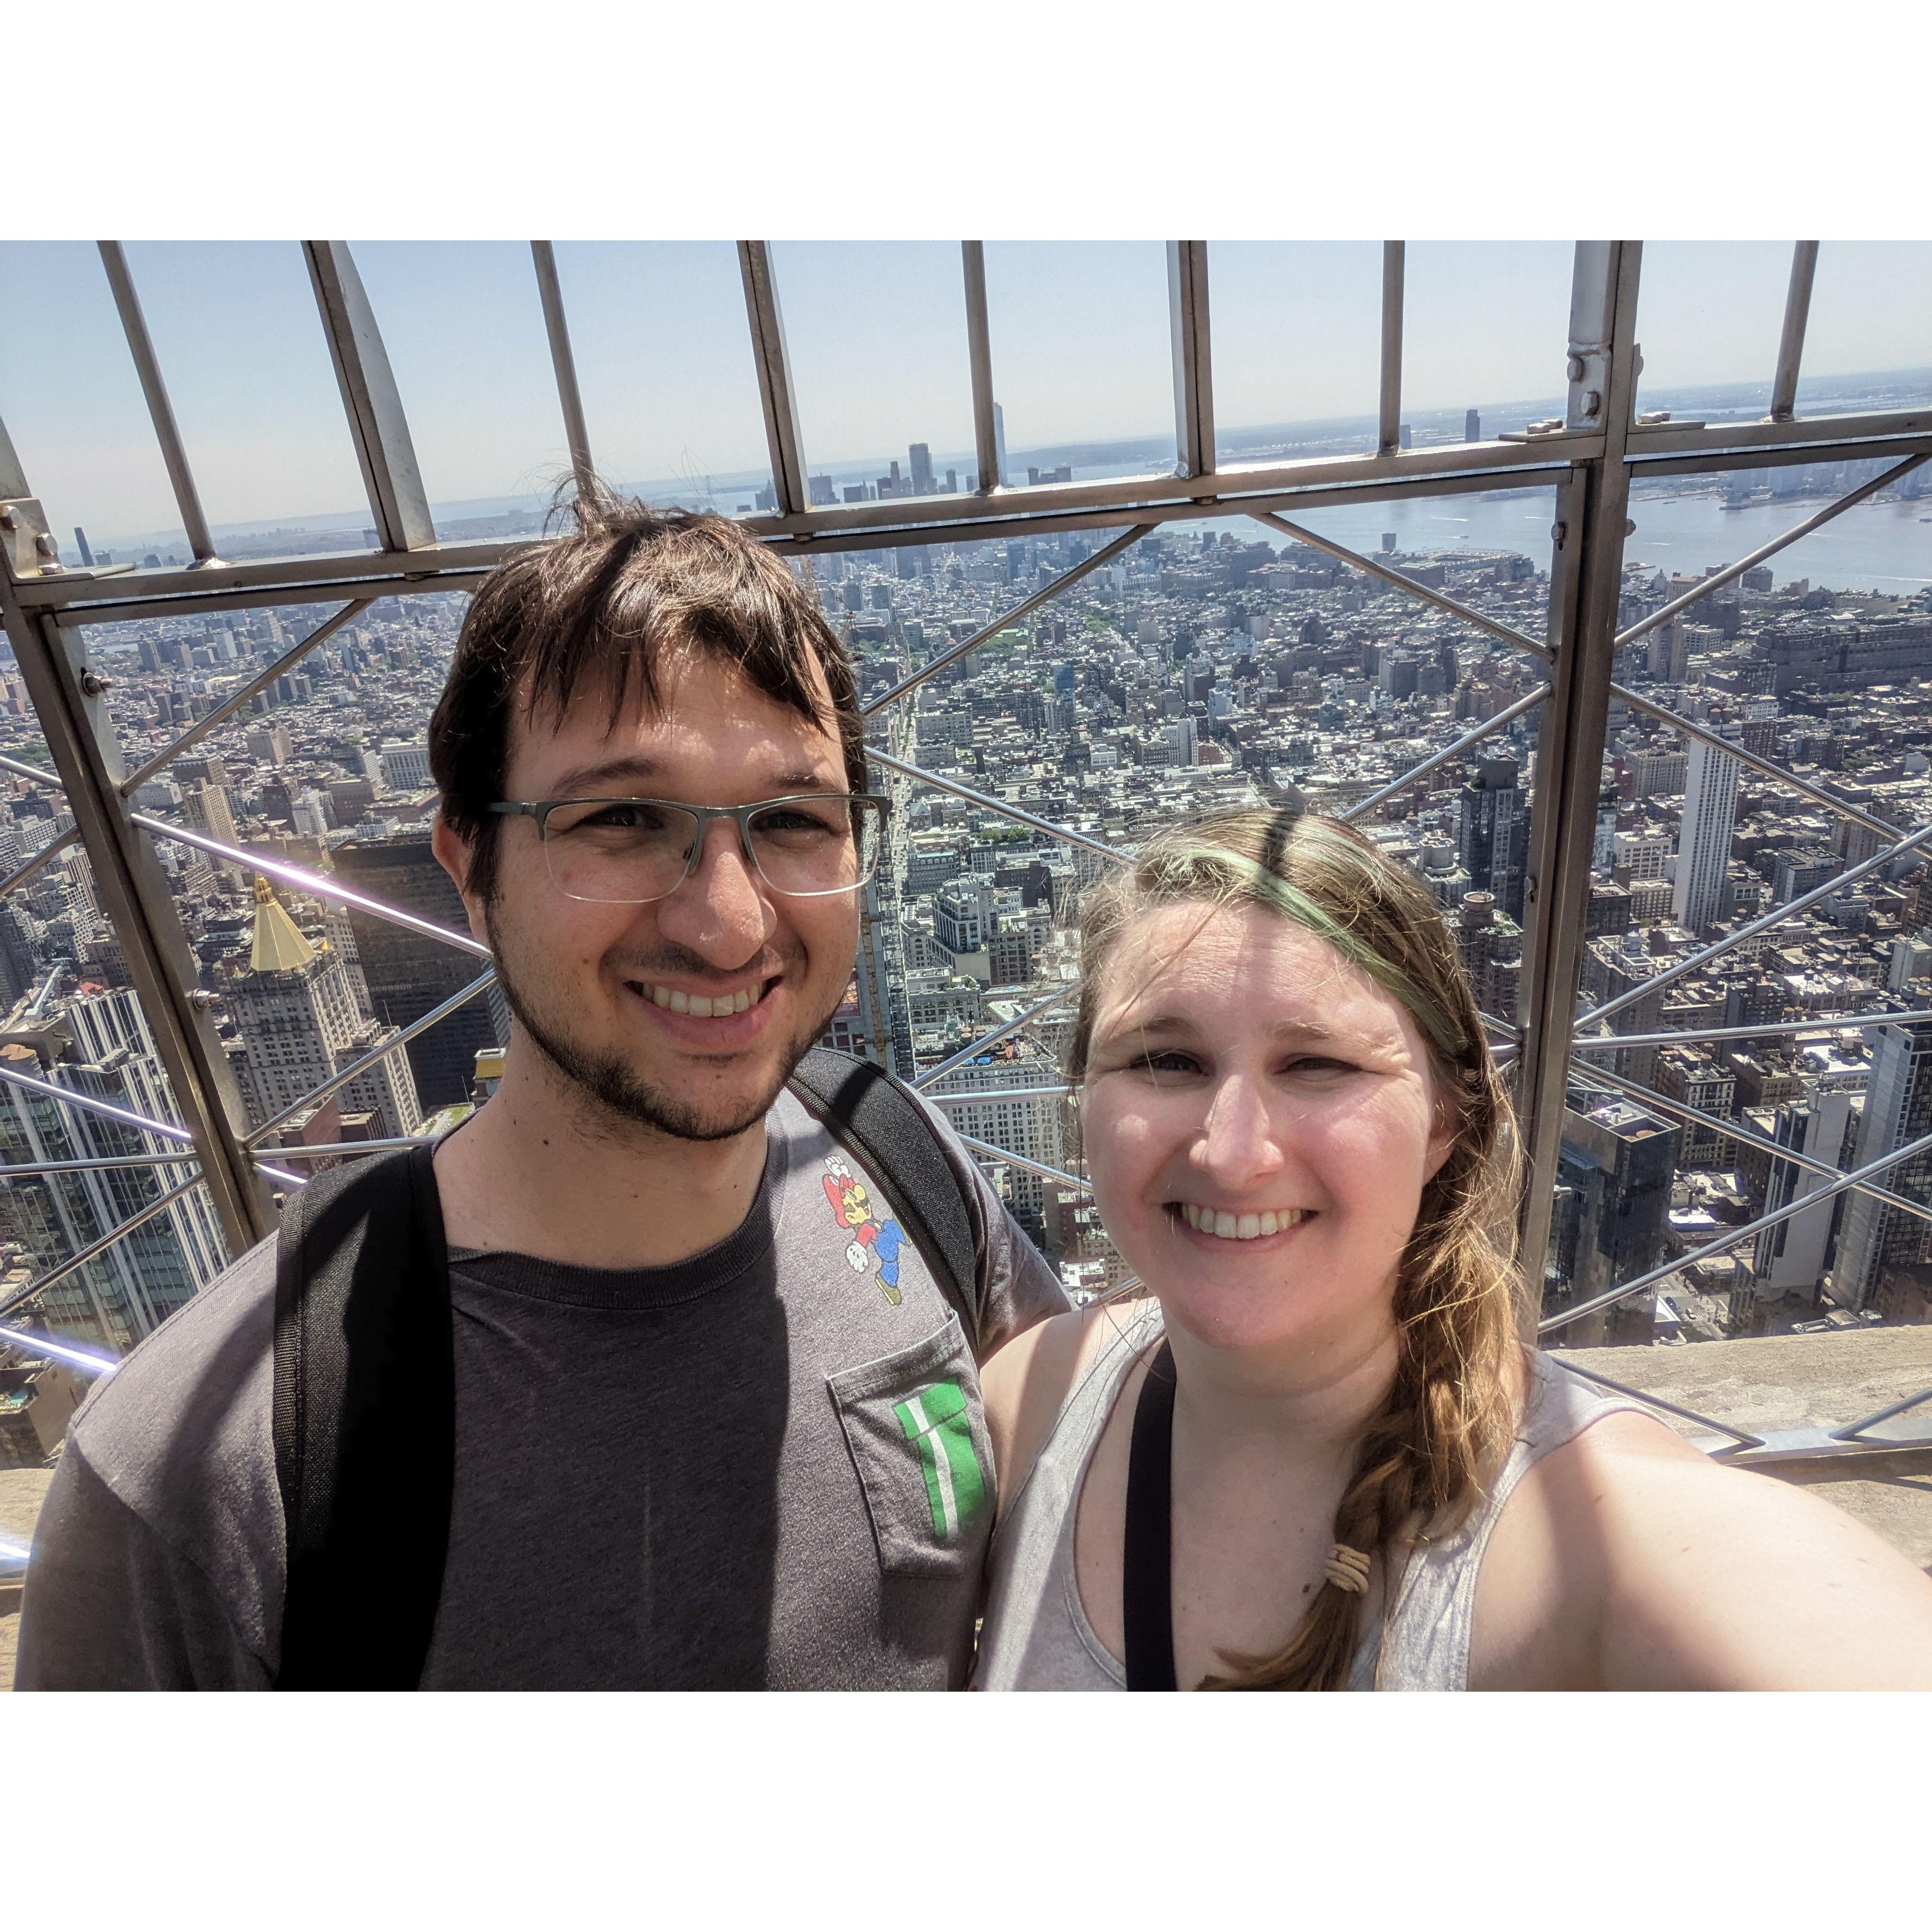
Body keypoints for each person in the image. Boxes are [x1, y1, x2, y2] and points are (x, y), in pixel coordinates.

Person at [18, 495, 1066, 1690]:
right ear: (470, 868)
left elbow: (1109, 1462)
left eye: (790, 819)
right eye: (621, 818)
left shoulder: (906, 1165)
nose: (727, 921)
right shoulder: (202, 1478)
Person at [975, 808, 1932, 1690]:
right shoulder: (1028, 1406)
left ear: (1446, 1119)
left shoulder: (1600, 1539)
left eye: (1318, 1065)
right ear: (1083, 1103)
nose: (1232, 1152)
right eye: (1165, 1061)